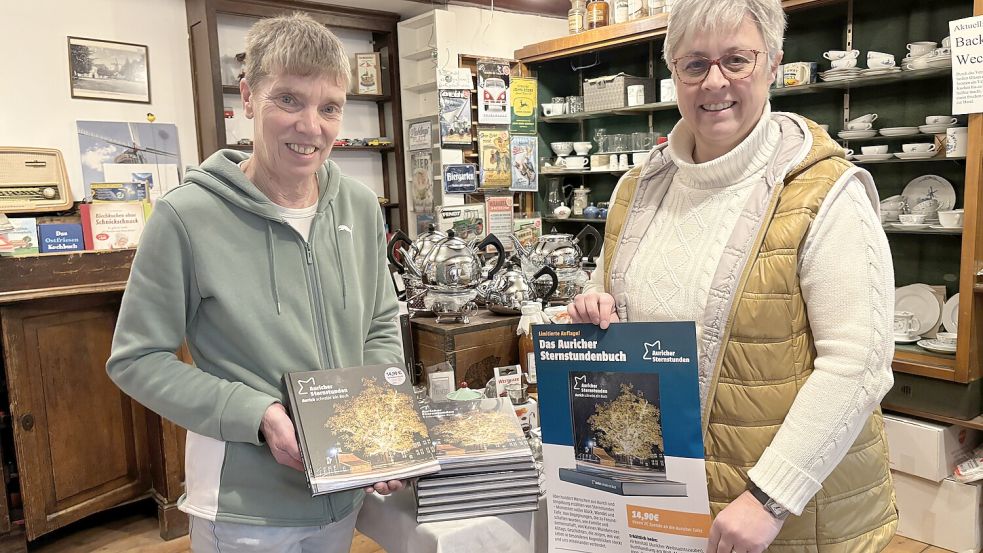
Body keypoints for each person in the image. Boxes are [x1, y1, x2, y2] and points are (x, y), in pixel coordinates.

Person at [568, 1, 898, 551]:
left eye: (736, 60)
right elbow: (611, 297)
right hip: (662, 506)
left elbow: (858, 365)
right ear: (673, 73)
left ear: (772, 63)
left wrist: (771, 498)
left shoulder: (823, 191)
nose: (713, 82)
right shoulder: (638, 189)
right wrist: (593, 309)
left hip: (783, 521)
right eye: (694, 64)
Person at [107, 13, 404, 552]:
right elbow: (136, 358)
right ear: (248, 96)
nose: (310, 126)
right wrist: (257, 414)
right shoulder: (185, 217)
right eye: (288, 100)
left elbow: (381, 321)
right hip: (244, 509)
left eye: (329, 107)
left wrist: (382, 418)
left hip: (345, 490)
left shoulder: (360, 208)